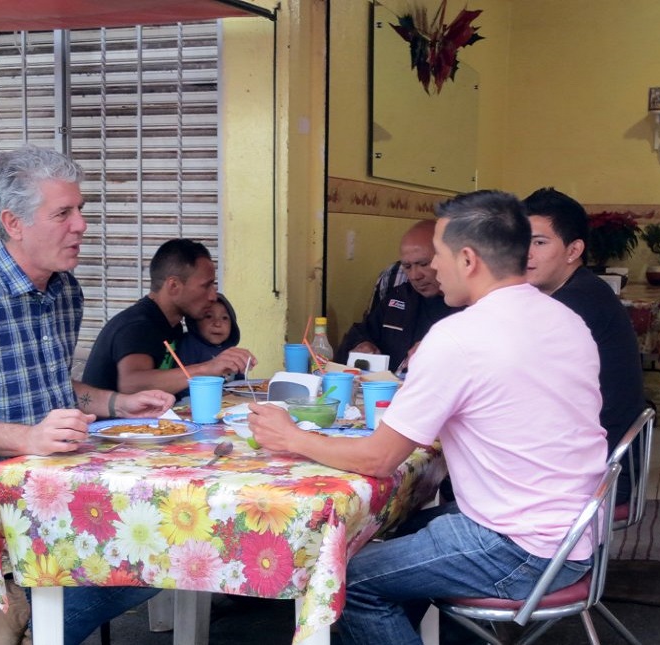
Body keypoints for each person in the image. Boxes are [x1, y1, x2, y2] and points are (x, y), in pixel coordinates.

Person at [248, 190, 607, 645]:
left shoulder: (459, 336)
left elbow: (379, 459)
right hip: (572, 533)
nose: (431, 269)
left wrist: (290, 436)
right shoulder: (564, 318)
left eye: (437, 255)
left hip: (519, 548)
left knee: (346, 582)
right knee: (391, 529)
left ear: (468, 259)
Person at [0, 144, 174, 644]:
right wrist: (28, 438)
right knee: (142, 547)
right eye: (63, 213)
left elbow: (53, 385)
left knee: (161, 531)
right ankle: (20, 614)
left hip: (58, 474)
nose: (81, 225)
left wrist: (117, 405)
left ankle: (22, 615)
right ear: (14, 222)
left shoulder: (63, 289)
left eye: (80, 211)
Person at [523, 187, 647, 505]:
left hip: (598, 474)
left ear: (573, 249)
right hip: (592, 459)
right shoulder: (571, 291)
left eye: (538, 242)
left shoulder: (575, 303)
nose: (525, 254)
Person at [82, 239, 256, 394]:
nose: (212, 296)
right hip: (111, 428)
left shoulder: (173, 325)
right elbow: (132, 384)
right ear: (174, 286)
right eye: (206, 286)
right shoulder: (139, 326)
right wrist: (207, 368)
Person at [334, 219, 460, 371]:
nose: (414, 276)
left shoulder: (471, 304)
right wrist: (362, 344)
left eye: (424, 264)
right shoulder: (400, 297)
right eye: (407, 267)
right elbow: (361, 332)